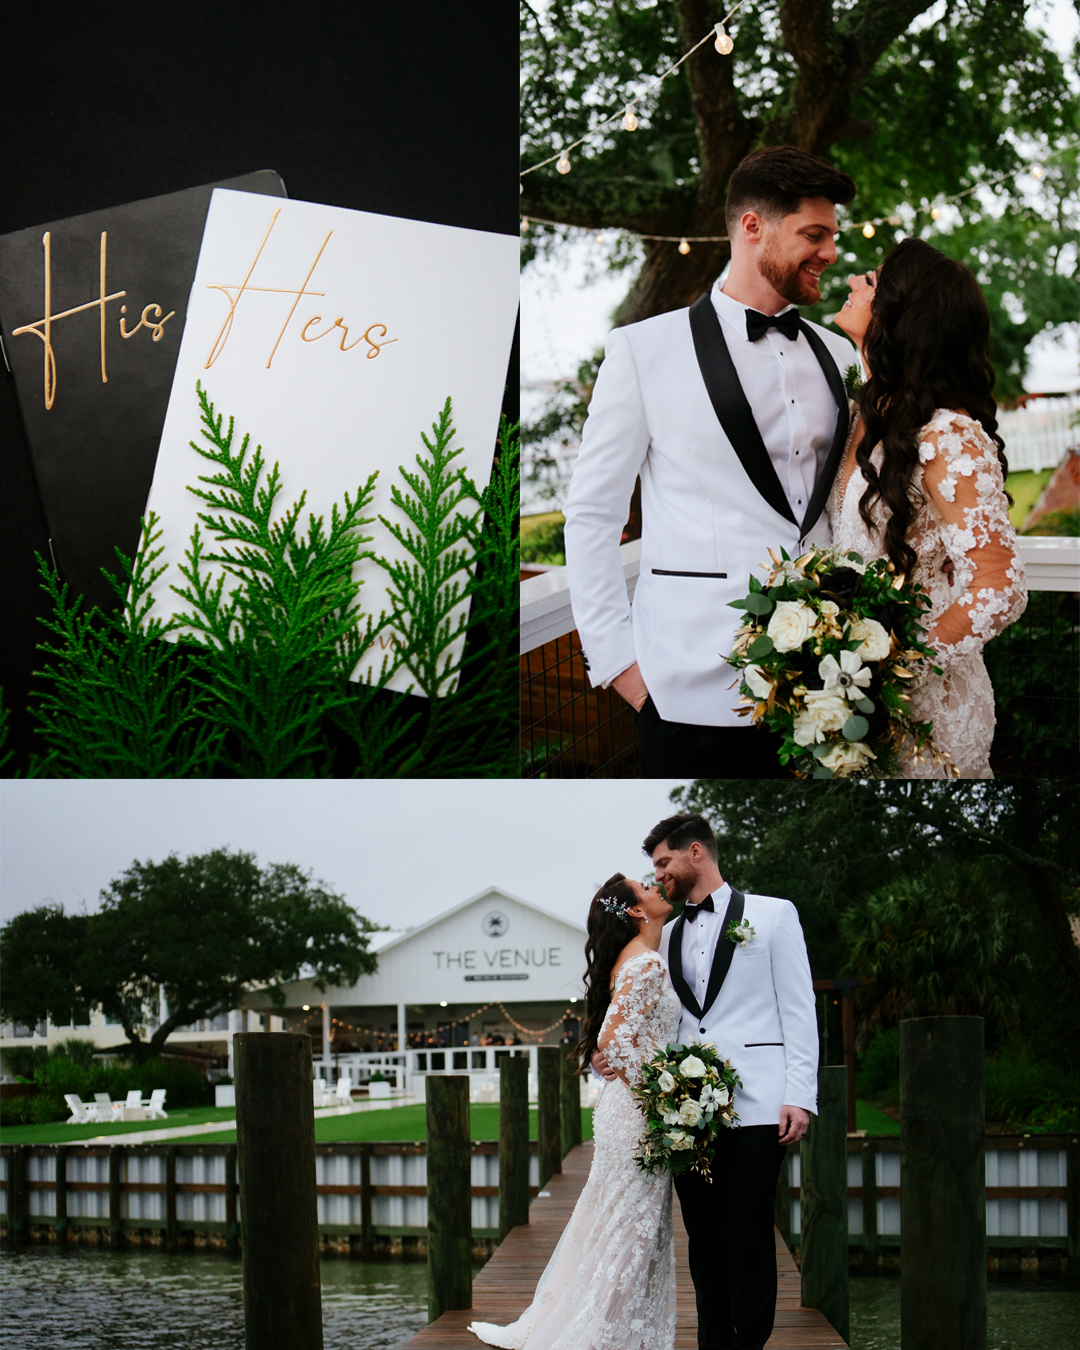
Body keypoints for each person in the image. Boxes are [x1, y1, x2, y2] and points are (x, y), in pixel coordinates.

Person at [563, 145, 859, 777]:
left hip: (828, 688)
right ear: (753, 227)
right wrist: (621, 668)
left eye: (833, 236)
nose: (830, 253)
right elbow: (592, 515)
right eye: (814, 234)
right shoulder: (643, 351)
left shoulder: (842, 357)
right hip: (688, 687)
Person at [592, 813, 818, 1350]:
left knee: (748, 1232)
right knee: (703, 1240)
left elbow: (799, 1009)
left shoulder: (773, 914)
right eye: (653, 870)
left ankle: (751, 1341)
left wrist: (799, 1097)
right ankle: (714, 1340)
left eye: (664, 863)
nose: (661, 875)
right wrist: (611, 1056)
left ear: (696, 852)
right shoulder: (662, 935)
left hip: (760, 1105)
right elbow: (650, 1016)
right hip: (685, 1112)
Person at [831, 238, 1028, 777]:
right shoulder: (861, 417)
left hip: (927, 712)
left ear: (902, 315)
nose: (851, 282)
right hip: (853, 702)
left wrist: (896, 668)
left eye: (869, 282)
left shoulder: (948, 436)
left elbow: (999, 587)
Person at [469, 873, 679, 1349]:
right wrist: (666, 1099)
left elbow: (623, 1040)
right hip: (640, 1115)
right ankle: (603, 1336)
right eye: (645, 885)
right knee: (631, 1234)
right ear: (636, 912)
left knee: (615, 1226)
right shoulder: (646, 964)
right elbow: (612, 1041)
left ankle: (614, 1330)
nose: (655, 885)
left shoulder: (634, 960)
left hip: (625, 1110)